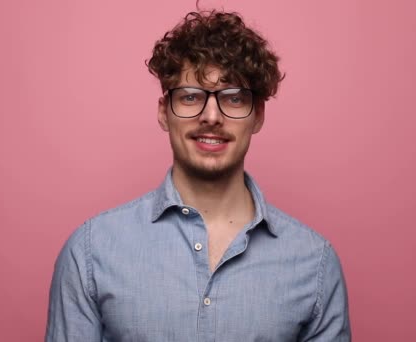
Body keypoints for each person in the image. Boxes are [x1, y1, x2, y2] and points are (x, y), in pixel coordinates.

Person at [45, 10, 350, 342]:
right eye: (191, 97)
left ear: (258, 116)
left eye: (233, 99)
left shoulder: (314, 263)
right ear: (164, 112)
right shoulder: (92, 252)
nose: (211, 116)